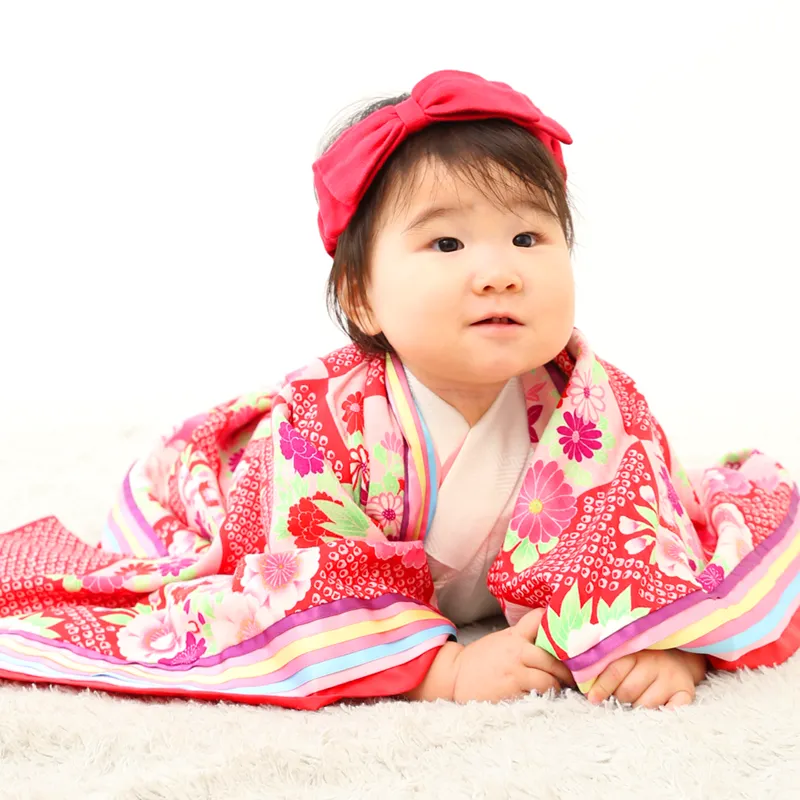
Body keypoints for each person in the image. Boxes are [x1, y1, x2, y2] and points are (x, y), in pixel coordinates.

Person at [1, 70, 798, 711]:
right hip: (261, 505)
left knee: (740, 521)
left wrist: (661, 642)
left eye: (528, 236)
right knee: (191, 582)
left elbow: (642, 537)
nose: (499, 271)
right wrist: (440, 671)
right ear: (361, 299)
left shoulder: (596, 407)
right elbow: (302, 579)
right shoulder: (321, 425)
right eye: (446, 242)